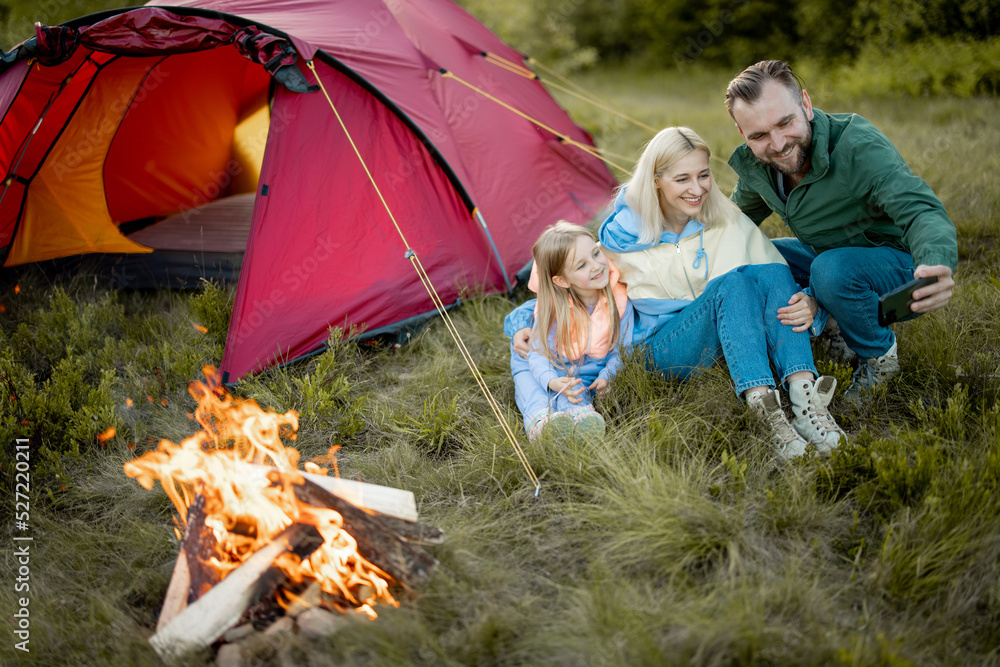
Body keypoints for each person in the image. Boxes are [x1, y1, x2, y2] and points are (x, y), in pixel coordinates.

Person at [509, 127, 846, 459]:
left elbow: (772, 276)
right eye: (682, 179)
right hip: (664, 347)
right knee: (731, 284)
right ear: (656, 180)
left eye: (703, 175)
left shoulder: (723, 216)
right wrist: (521, 323)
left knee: (769, 271)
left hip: (731, 326)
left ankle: (805, 400)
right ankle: (765, 411)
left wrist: (812, 304)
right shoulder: (622, 238)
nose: (697, 189)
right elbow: (571, 280)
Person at [725, 60, 958, 401]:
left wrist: (935, 262)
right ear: (742, 133)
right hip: (830, 256)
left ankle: (879, 358)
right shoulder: (759, 168)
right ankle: (834, 324)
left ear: (805, 104)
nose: (777, 144)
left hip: (900, 267)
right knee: (764, 256)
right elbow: (731, 226)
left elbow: (918, 207)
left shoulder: (856, 146)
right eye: (759, 135)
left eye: (785, 122)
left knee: (831, 270)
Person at [513, 222, 632, 441]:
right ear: (562, 280)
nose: (596, 266)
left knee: (575, 388)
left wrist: (608, 375)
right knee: (536, 390)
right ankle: (541, 424)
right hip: (550, 367)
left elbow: (624, 347)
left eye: (596, 254)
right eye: (582, 266)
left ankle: (581, 416)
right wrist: (551, 380)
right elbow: (538, 353)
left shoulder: (619, 301)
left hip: (584, 374)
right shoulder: (554, 310)